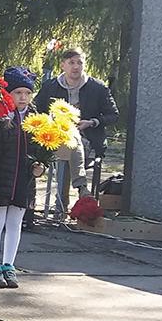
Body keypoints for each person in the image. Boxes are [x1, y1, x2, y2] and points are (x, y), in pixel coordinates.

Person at [33, 48, 118, 205]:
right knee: (68, 142)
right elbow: (36, 110)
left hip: (89, 140)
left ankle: (62, 205)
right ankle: (81, 188)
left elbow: (113, 115)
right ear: (62, 65)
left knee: (70, 144)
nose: (76, 67)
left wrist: (92, 122)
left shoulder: (98, 87)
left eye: (80, 62)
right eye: (71, 62)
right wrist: (50, 123)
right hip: (54, 139)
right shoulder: (50, 87)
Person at [0, 67, 40, 289]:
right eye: (18, 93)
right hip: (0, 179)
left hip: (23, 181)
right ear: (8, 94)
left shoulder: (36, 119)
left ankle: (9, 264)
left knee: (15, 223)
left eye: (27, 93)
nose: (23, 98)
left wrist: (39, 166)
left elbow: (38, 150)